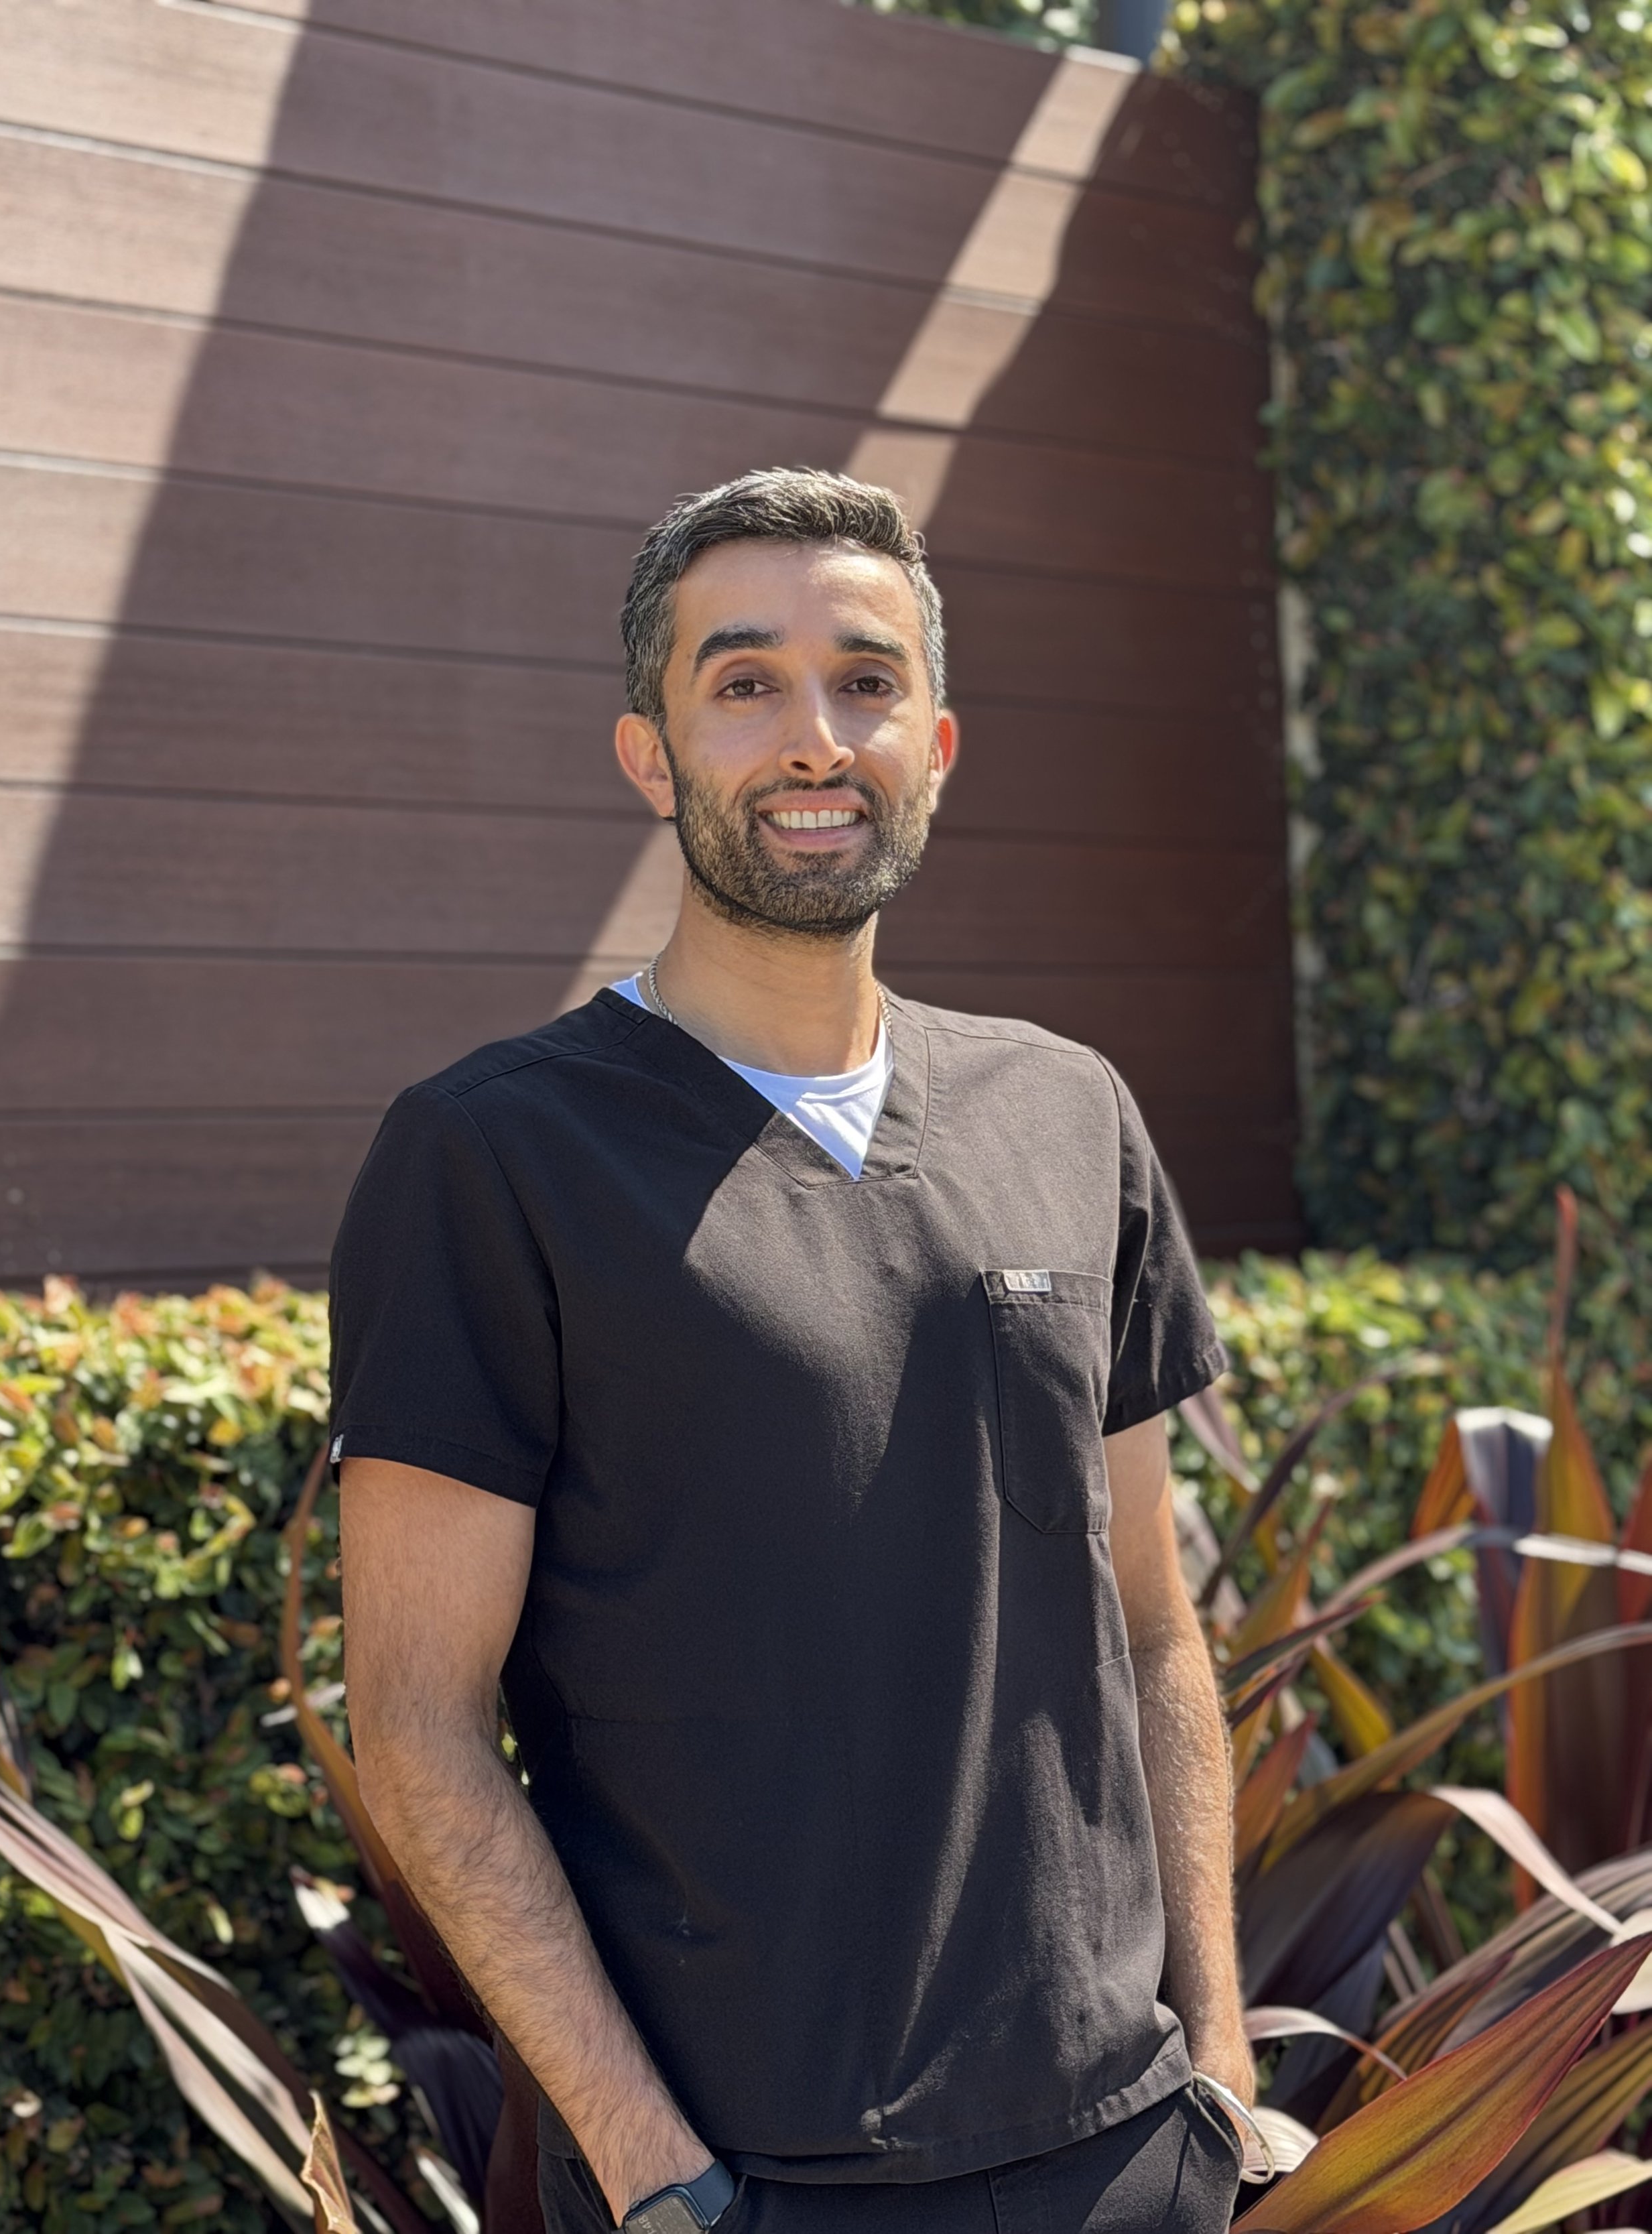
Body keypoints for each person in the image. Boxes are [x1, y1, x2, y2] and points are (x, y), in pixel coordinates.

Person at [330, 469, 1257, 2234]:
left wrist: (1211, 2065)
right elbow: (417, 1726)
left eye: (864, 680)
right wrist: (653, 2167)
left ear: (938, 739)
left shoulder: (1066, 1110)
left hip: (1131, 2153)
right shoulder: (494, 1156)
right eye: (741, 683)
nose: (812, 738)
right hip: (757, 2181)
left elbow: (1150, 1627)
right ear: (648, 752)